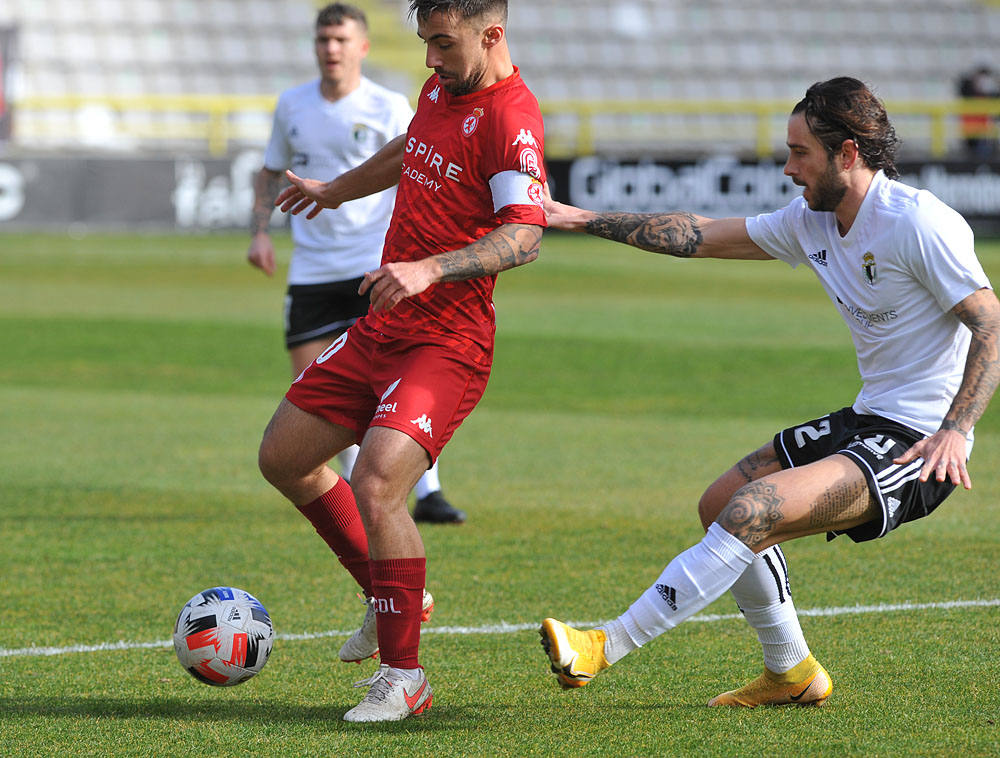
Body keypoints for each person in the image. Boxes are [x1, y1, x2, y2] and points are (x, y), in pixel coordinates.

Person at [538, 77, 1000, 707]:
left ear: (847, 154)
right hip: (868, 419)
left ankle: (603, 645)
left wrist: (956, 429)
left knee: (751, 511)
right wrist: (580, 218)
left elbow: (990, 322)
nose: (787, 169)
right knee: (720, 502)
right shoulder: (809, 221)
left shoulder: (918, 223)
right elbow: (698, 234)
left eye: (799, 153)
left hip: (917, 448)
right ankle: (792, 671)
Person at [259, 0, 546, 722]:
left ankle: (404, 677)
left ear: (492, 35)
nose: (428, 60)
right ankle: (387, 591)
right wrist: (334, 188)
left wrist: (433, 268)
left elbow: (525, 237)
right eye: (424, 43)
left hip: (448, 341)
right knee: (283, 457)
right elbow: (409, 146)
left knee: (381, 480)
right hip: (382, 328)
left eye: (441, 45)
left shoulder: (512, 117)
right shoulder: (441, 88)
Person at [247, 3, 466, 525]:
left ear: (362, 47)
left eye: (341, 40)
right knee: (314, 391)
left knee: (396, 383)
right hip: (312, 270)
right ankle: (347, 494)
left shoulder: (389, 105)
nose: (331, 49)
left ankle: (429, 491)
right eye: (324, 40)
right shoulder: (293, 105)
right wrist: (259, 231)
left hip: (375, 264)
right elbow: (269, 171)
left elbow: (420, 165)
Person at [957, 65, 999, 162]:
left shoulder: (990, 94)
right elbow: (962, 89)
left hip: (986, 134)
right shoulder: (968, 88)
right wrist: (975, 85)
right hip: (970, 133)